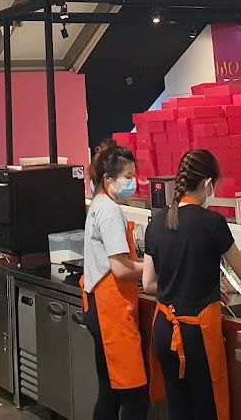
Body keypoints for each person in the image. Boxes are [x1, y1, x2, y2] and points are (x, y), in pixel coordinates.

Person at [143, 150, 241, 420]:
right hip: (196, 335)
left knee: (180, 410)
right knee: (206, 410)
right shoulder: (213, 223)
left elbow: (149, 283)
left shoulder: (158, 220)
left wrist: (191, 284)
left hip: (164, 330)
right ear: (208, 184)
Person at [83, 142, 148, 420]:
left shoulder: (98, 203)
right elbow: (120, 269)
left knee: (109, 392)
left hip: (100, 305)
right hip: (112, 313)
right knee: (134, 394)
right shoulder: (109, 211)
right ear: (108, 179)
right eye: (128, 177)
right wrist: (155, 269)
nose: (132, 182)